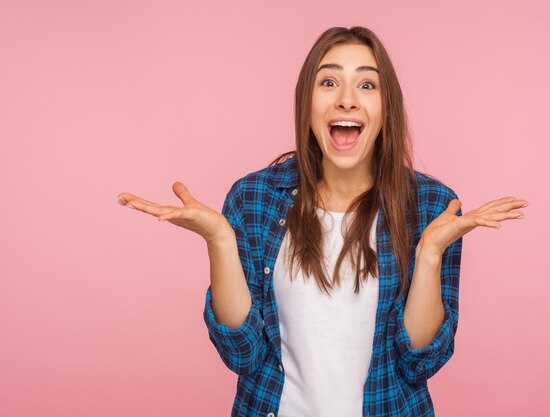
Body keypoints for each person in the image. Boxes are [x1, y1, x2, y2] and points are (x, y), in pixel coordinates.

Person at [117, 26, 528, 417]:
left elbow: (420, 362)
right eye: (328, 82)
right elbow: (243, 355)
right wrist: (219, 241)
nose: (347, 99)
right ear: (306, 104)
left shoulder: (432, 205)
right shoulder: (255, 198)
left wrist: (431, 253)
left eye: (367, 84)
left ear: (387, 109)